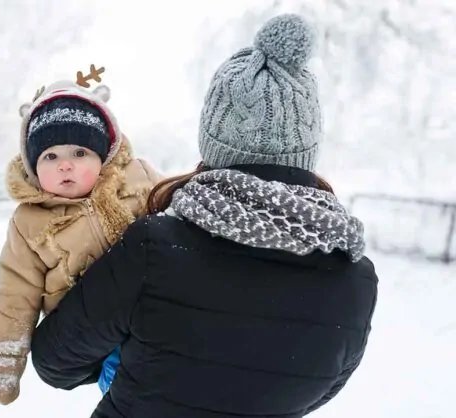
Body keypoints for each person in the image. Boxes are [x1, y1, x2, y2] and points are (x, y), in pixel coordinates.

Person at [30, 14, 378, 418]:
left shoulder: (155, 247)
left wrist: (125, 362)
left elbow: (55, 360)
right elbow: (321, 391)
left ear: (213, 141)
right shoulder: (356, 278)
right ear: (307, 146)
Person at [0, 71, 162, 405]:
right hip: (95, 334)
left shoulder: (139, 178)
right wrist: (5, 357)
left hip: (158, 312)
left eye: (79, 153)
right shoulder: (29, 222)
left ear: (103, 154)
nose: (66, 165)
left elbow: (181, 209)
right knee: (132, 389)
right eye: (51, 156)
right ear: (33, 166)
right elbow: (15, 293)